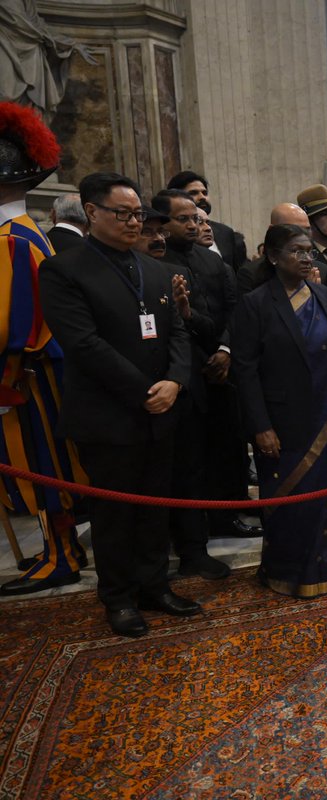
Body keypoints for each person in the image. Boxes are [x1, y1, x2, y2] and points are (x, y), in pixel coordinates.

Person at [39, 172, 198, 636]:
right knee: (115, 513)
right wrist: (147, 391)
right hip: (109, 414)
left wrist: (175, 381)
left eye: (137, 214)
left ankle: (155, 585)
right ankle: (119, 597)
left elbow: (178, 332)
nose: (134, 223)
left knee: (155, 507)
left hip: (162, 409)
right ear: (92, 212)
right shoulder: (64, 270)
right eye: (122, 214)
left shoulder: (156, 269)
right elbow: (84, 344)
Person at [232, 224, 327, 597]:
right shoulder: (256, 304)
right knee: (295, 505)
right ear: (273, 256)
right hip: (284, 424)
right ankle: (293, 572)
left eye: (309, 250)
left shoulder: (324, 295)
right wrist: (260, 426)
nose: (307, 257)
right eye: (296, 251)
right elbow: (244, 371)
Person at [0, 103, 85, 596]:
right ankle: (61, 547)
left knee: (42, 463)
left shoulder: (12, 238)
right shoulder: (26, 231)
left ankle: (61, 555)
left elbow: (16, 322)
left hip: (26, 373)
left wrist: (5, 377)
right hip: (39, 368)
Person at [153, 188, 237, 579]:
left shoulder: (210, 260)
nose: (193, 225)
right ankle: (181, 546)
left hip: (217, 370)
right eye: (183, 219)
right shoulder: (156, 263)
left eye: (196, 218)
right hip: (174, 380)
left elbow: (231, 311)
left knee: (214, 458)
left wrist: (225, 349)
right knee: (179, 469)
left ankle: (214, 528)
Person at [167, 170, 247, 274]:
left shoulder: (225, 232)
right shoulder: (176, 235)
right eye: (193, 193)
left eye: (205, 193)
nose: (202, 197)